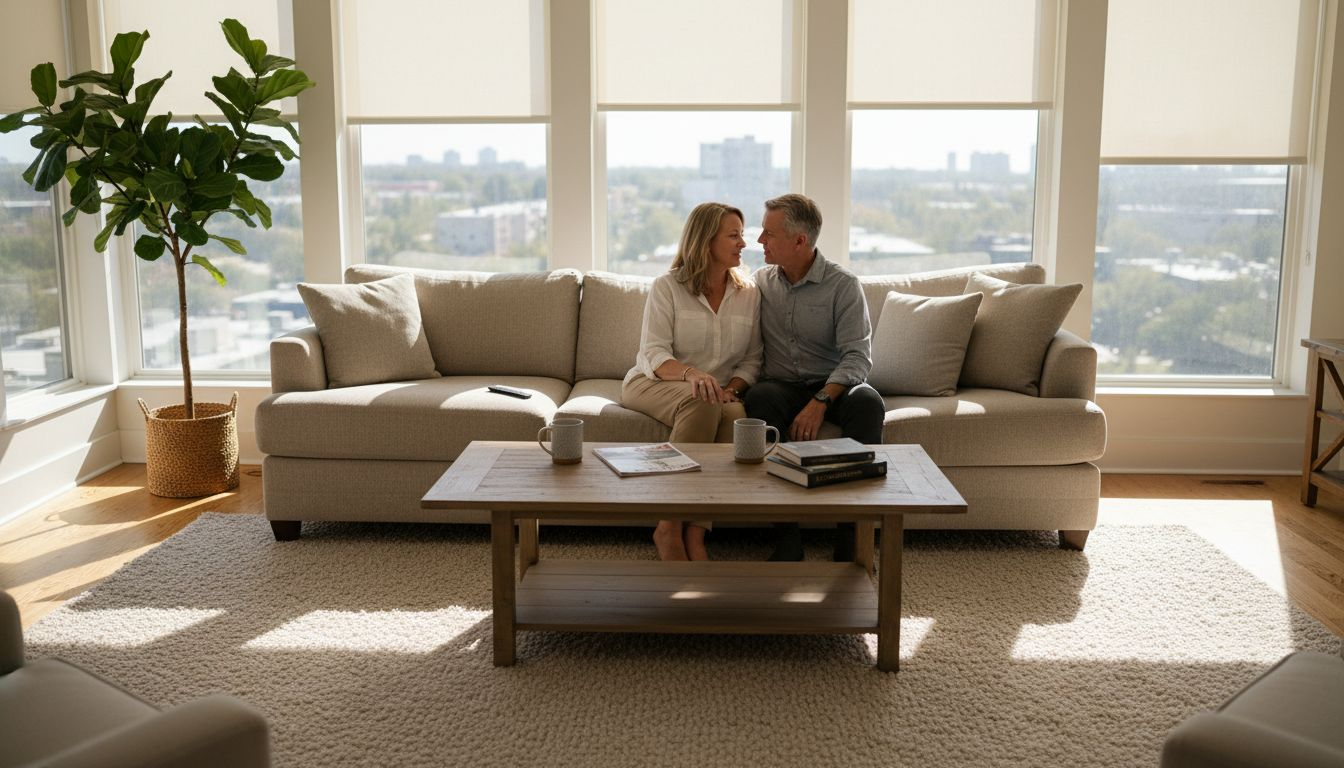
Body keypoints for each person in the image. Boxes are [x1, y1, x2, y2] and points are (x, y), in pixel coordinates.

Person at [746, 193, 885, 561]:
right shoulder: (760, 282)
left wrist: (820, 401)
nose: (760, 241)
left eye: (768, 233)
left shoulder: (843, 285)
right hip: (781, 386)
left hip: (835, 386)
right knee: (759, 399)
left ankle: (852, 535)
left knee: (869, 402)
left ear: (799, 241)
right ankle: (787, 539)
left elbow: (858, 356)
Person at [622, 202, 763, 561]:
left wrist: (732, 388)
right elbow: (654, 353)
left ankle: (697, 533)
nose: (743, 244)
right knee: (702, 400)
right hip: (652, 382)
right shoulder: (667, 287)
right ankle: (668, 526)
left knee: (736, 418)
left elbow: (752, 359)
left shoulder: (749, 293)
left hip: (714, 392)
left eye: (742, 235)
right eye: (734, 235)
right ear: (706, 240)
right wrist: (692, 375)